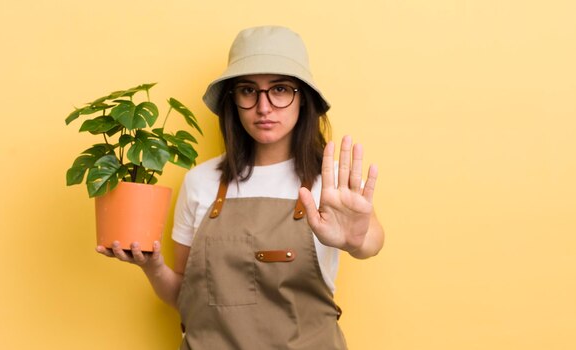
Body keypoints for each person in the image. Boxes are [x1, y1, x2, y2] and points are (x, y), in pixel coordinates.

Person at [97, 25, 384, 349]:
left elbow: (371, 240)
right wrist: (153, 268)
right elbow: (186, 297)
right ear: (232, 100)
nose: (264, 107)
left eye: (280, 89)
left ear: (303, 98)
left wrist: (358, 240)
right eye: (248, 90)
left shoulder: (331, 186)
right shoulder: (200, 182)